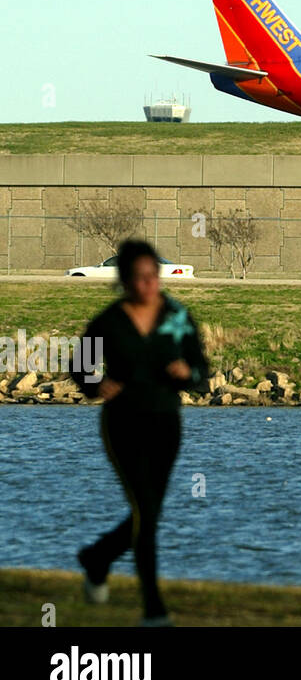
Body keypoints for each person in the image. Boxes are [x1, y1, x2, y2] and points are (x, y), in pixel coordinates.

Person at [71, 239, 209, 626]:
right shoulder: (109, 321)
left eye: (153, 277)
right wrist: (95, 385)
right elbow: (80, 366)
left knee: (148, 512)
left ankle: (98, 557)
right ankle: (153, 608)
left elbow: (201, 370)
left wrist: (188, 375)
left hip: (166, 422)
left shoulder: (177, 317)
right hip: (122, 424)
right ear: (125, 281)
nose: (149, 285)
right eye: (140, 278)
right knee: (144, 511)